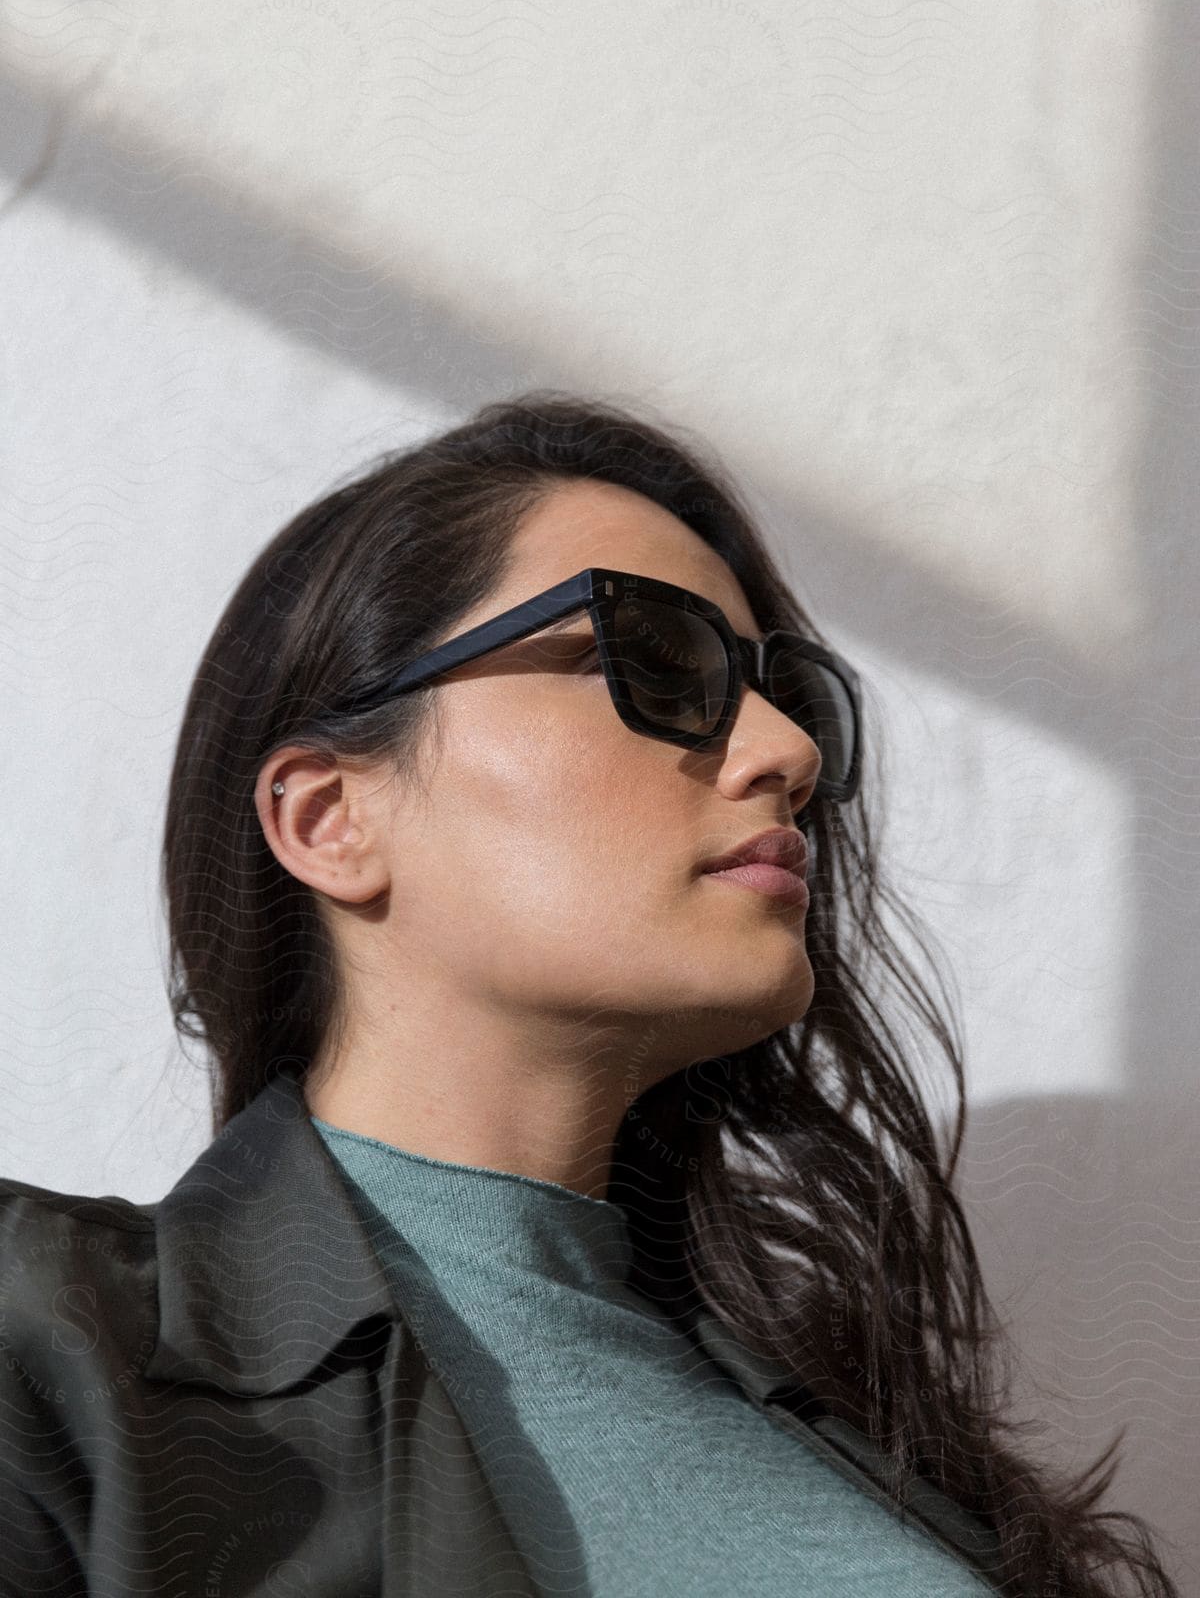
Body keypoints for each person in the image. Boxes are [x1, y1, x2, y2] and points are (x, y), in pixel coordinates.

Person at [0, 391, 1179, 1596]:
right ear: (331, 818)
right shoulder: (54, 1356)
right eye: (657, 660)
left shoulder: (887, 1456)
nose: (790, 753)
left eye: (793, 697)